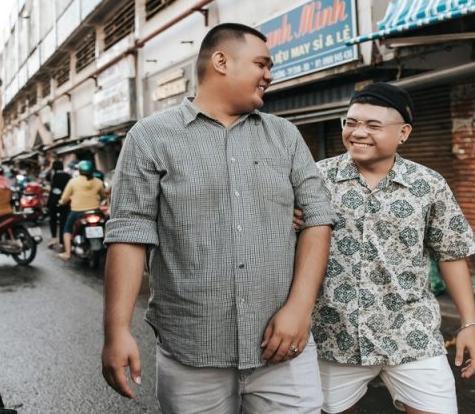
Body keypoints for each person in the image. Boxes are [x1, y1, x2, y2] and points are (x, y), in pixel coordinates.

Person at [101, 23, 337, 413]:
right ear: (221, 61)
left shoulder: (285, 136)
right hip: (191, 350)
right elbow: (129, 234)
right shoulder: (150, 137)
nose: (269, 74)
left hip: (283, 348)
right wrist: (116, 331)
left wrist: (299, 309)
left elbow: (318, 219)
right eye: (261, 63)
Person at [295, 83, 475, 414]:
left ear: (403, 133)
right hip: (334, 336)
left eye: (373, 125)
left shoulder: (429, 184)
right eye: (350, 123)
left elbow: (451, 253)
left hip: (412, 333)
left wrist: (469, 323)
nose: (357, 133)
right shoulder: (315, 179)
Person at [57, 160, 107, 261]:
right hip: (95, 211)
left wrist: (61, 202)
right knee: (106, 227)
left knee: (67, 230)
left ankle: (67, 253)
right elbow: (104, 195)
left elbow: (65, 198)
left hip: (77, 212)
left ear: (79, 170)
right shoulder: (98, 182)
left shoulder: (73, 181)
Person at [44, 158, 72, 249]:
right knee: (63, 221)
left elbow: (53, 190)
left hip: (54, 201)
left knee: (53, 219)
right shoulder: (68, 175)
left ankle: (53, 238)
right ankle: (62, 242)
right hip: (65, 201)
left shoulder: (54, 175)